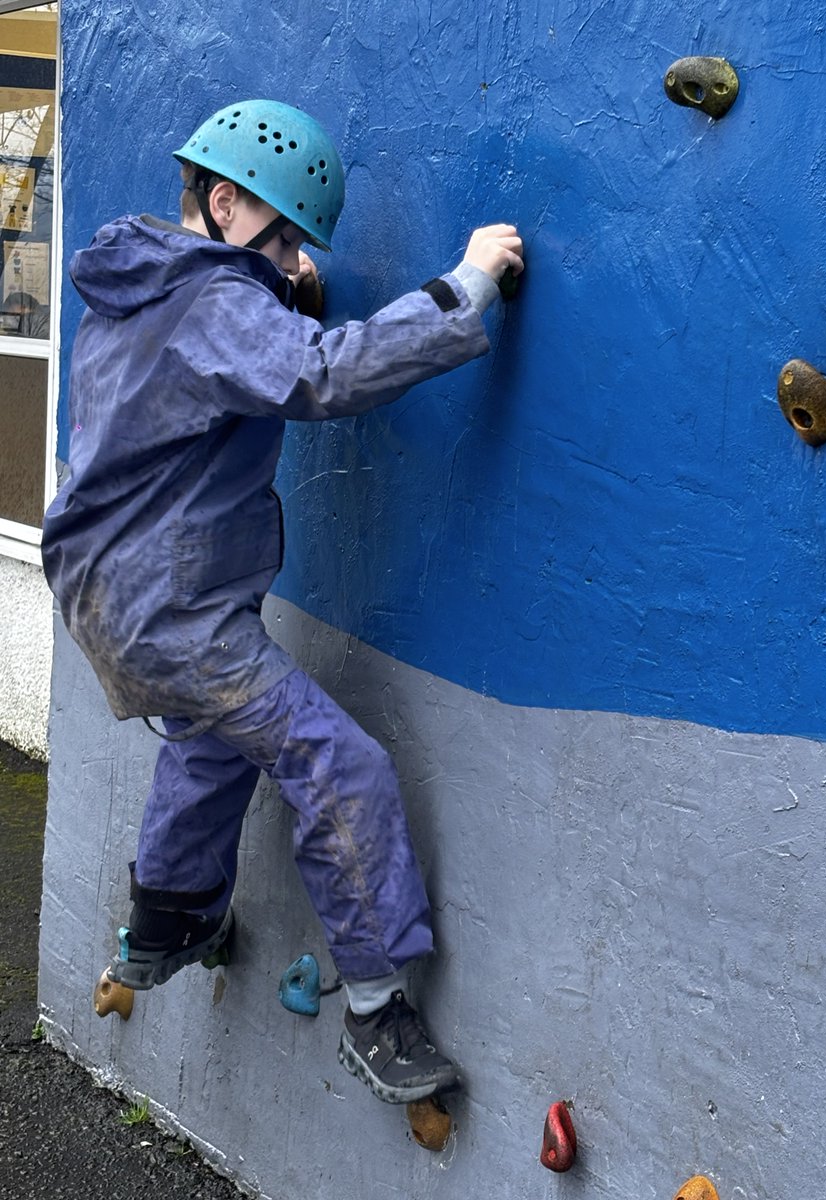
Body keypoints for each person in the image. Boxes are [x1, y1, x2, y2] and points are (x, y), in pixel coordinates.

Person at [41, 99, 524, 1105]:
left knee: (214, 738)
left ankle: (167, 922)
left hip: (104, 592)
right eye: (287, 232)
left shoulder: (139, 293)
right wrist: (465, 285)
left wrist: (277, 279)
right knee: (333, 758)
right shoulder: (216, 303)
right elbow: (321, 372)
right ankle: (377, 1006)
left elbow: (225, 354)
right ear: (224, 202)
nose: (296, 258)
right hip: (169, 608)